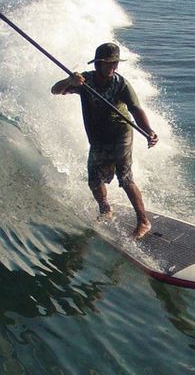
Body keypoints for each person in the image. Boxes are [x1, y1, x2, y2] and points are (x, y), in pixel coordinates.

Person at [51, 42, 159, 239]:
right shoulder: (84, 82)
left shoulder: (121, 84)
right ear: (98, 64)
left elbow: (136, 110)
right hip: (98, 138)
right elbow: (55, 90)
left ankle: (144, 221)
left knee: (125, 178)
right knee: (94, 179)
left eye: (115, 63)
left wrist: (149, 131)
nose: (113, 68)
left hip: (121, 134)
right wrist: (69, 81)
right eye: (109, 64)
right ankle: (105, 209)